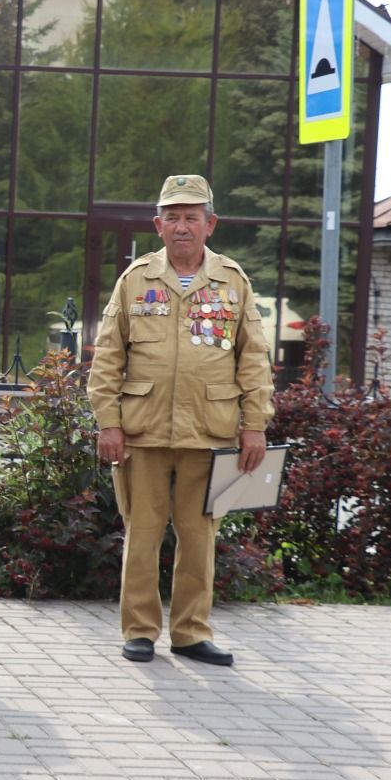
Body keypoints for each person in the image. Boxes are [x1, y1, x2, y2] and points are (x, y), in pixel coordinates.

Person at [87, 174, 274, 666]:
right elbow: (107, 357)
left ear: (210, 224)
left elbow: (253, 359)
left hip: (209, 432)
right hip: (143, 432)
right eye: (172, 217)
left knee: (198, 538)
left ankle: (191, 632)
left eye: (192, 217)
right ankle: (140, 631)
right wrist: (109, 422)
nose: (182, 226)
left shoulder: (233, 281)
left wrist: (254, 424)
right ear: (158, 225)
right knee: (142, 534)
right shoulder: (135, 280)